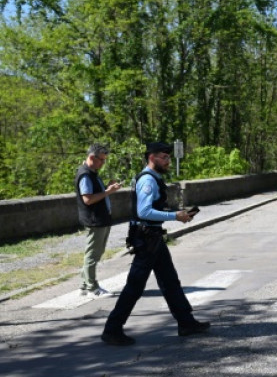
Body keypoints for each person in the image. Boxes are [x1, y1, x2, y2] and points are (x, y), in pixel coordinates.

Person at [101, 142, 210, 346]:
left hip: (152, 237)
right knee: (135, 286)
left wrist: (177, 215)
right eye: (164, 157)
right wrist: (174, 216)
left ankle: (186, 323)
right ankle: (112, 329)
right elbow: (144, 212)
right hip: (146, 238)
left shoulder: (153, 178)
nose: (168, 160)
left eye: (169, 157)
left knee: (170, 281)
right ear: (152, 157)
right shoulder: (148, 181)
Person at [75, 143, 123, 297]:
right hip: (95, 220)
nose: (103, 163)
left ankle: (84, 285)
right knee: (92, 254)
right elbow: (88, 199)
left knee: (95, 252)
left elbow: (95, 194)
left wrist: (107, 189)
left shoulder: (92, 173)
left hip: (100, 219)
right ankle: (92, 288)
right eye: (101, 160)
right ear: (91, 157)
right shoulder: (85, 175)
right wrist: (108, 192)